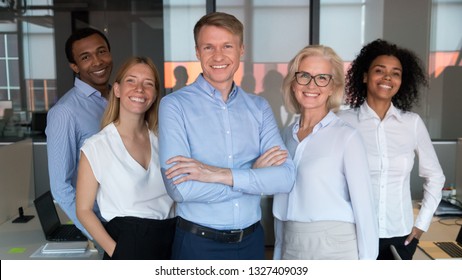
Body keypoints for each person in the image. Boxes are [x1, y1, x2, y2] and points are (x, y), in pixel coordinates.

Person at [158, 12, 295, 260]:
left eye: (227, 46)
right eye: (209, 47)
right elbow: (180, 190)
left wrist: (220, 175)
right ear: (198, 52)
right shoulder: (174, 105)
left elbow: (285, 178)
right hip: (197, 246)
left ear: (241, 49)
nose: (218, 56)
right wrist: (253, 177)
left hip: (252, 242)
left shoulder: (259, 107)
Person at [337, 39, 445, 260]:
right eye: (379, 71)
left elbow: (435, 176)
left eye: (395, 73)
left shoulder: (412, 123)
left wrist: (421, 225)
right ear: (365, 76)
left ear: (401, 81)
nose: (388, 77)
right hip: (353, 234)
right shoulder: (343, 122)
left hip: (401, 237)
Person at [272, 45, 379, 260]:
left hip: (335, 247)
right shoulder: (284, 136)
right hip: (291, 243)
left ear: (332, 87)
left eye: (322, 78)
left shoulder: (347, 137)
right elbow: (282, 201)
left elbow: (365, 209)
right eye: (304, 76)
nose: (312, 85)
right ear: (293, 83)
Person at [76, 56, 176, 259]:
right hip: (128, 247)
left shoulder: (164, 140)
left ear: (155, 94)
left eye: (148, 84)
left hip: (171, 241)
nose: (140, 89)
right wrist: (117, 252)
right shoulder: (97, 147)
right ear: (118, 89)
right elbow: (83, 210)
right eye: (131, 80)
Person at [45, 27, 113, 238]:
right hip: (105, 224)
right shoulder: (64, 112)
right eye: (86, 57)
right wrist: (99, 236)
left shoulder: (120, 99)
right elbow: (61, 187)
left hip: (134, 218)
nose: (97, 61)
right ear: (75, 66)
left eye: (101, 51)